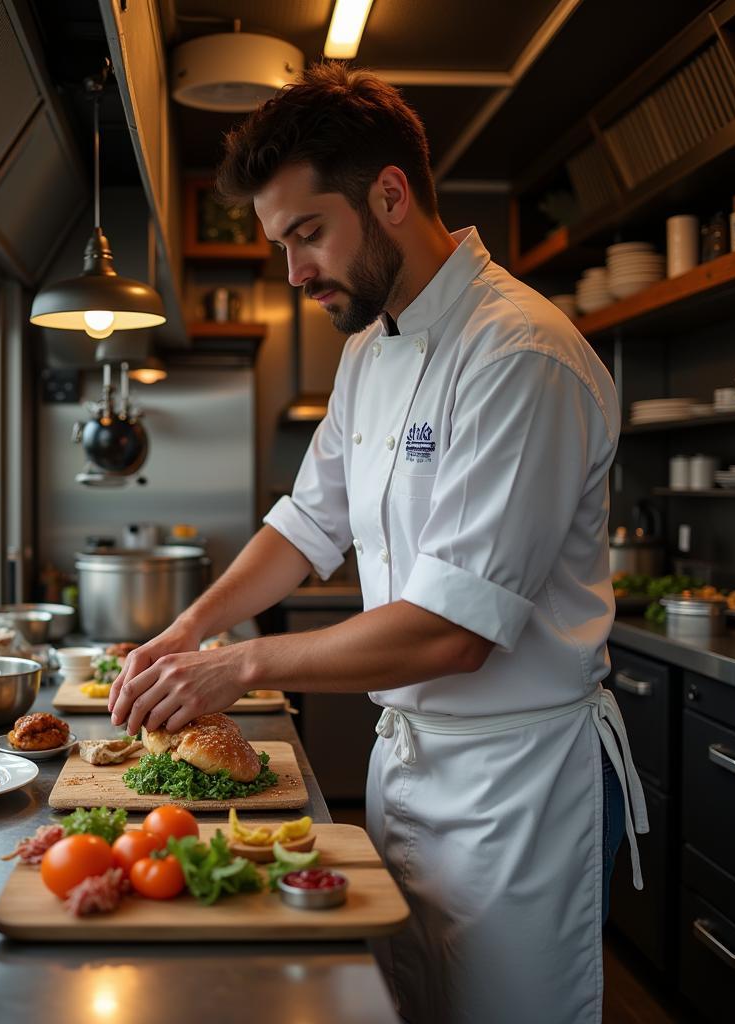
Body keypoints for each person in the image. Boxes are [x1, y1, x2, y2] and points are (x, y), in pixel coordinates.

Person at [109, 63, 648, 1024]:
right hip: (411, 769)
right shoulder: (368, 351)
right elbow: (304, 523)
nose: (294, 271)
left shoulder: (518, 354)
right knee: (410, 1004)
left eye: (307, 234)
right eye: (281, 244)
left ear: (390, 195)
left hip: (514, 787)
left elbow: (453, 634)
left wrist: (238, 668)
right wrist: (186, 631)